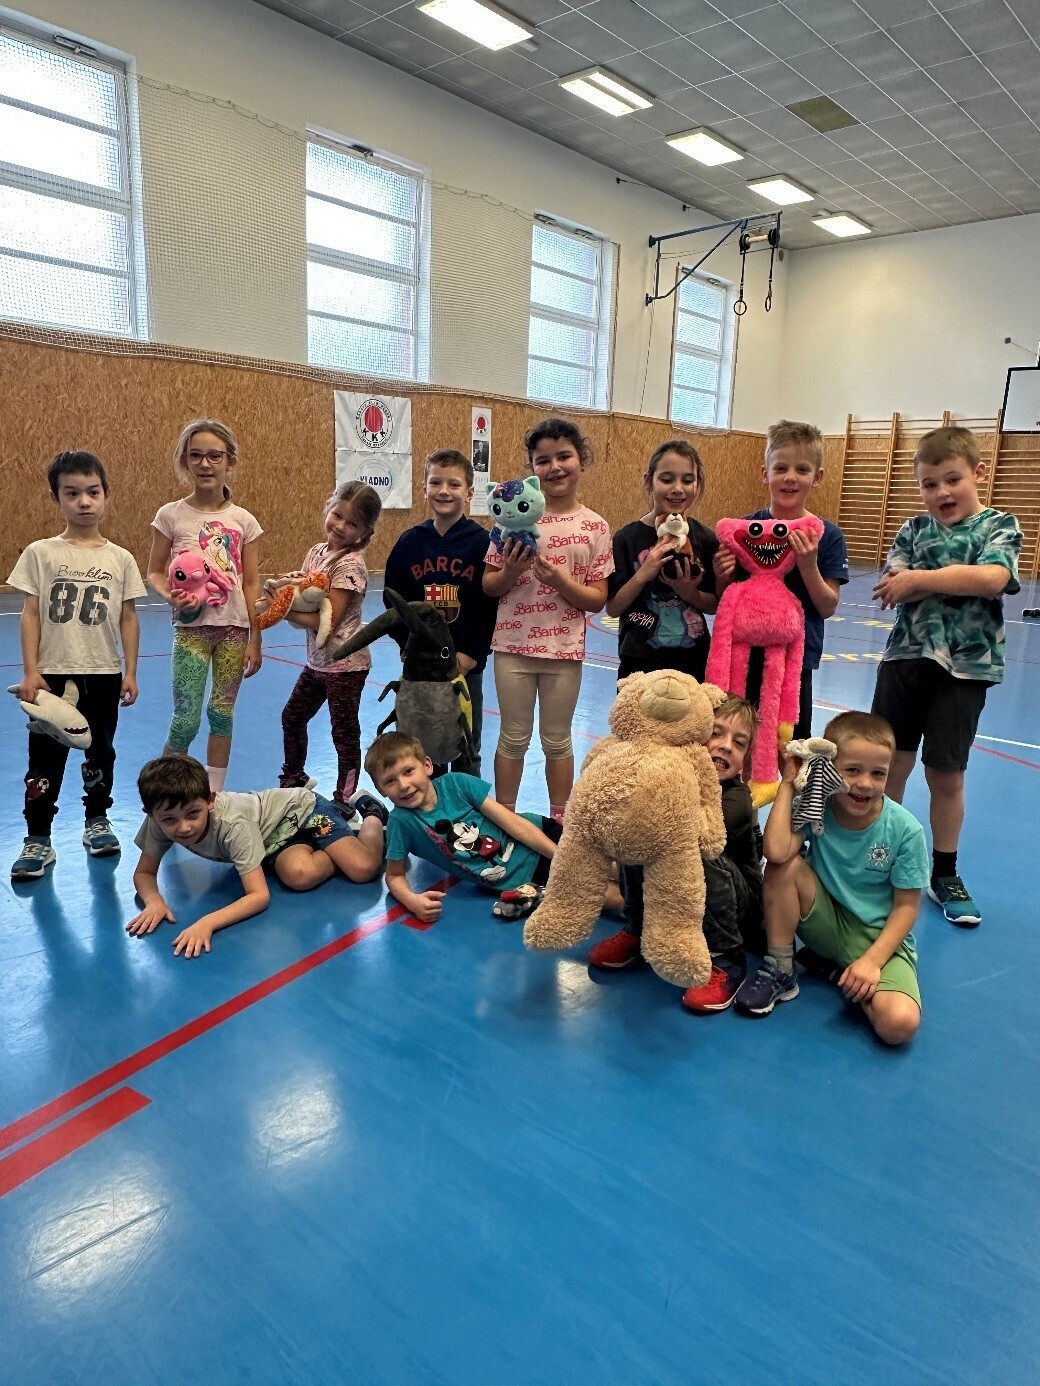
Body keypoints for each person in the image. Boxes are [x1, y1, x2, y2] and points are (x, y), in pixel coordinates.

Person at [870, 425, 1022, 927]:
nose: (941, 492)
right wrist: (947, 580)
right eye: (929, 484)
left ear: (979, 473)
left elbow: (993, 578)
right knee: (889, 764)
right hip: (905, 660)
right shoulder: (913, 530)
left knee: (946, 773)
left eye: (952, 480)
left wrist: (920, 579)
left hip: (965, 669)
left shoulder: (999, 525)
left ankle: (944, 872)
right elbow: (893, 586)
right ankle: (879, 856)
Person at [734, 711, 928, 1046]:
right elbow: (776, 851)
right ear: (829, 767)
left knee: (899, 1025)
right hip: (825, 924)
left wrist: (871, 962)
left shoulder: (905, 830)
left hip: (877, 940)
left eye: (878, 773)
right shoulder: (818, 806)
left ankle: (838, 971)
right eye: (852, 770)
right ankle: (781, 967)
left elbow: (907, 908)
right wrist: (789, 783)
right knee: (784, 866)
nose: (865, 783)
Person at [9, 450, 146, 880]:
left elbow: (128, 617)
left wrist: (130, 671)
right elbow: (31, 613)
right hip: (52, 675)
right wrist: (30, 670)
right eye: (72, 493)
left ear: (106, 495)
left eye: (92, 492)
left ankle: (97, 820)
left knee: (100, 752)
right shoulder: (41, 553)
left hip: (102, 674)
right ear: (56, 498)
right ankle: (38, 838)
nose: (84, 501)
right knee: (44, 759)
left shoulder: (120, 558)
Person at [587, 695, 766, 1014]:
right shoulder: (673, 777)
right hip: (679, 898)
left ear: (745, 759)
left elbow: (689, 833)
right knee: (636, 833)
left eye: (739, 743)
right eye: (716, 733)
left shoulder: (738, 799)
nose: (726, 746)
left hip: (738, 907)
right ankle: (639, 928)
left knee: (695, 846)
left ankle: (726, 957)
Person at [126, 754, 387, 958]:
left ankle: (372, 814)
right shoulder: (159, 819)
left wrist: (208, 923)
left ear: (210, 800)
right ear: (152, 815)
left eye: (193, 814)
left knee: (362, 868)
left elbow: (259, 896)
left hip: (302, 811)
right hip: (271, 841)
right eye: (170, 820)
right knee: (299, 874)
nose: (183, 827)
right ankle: (335, 843)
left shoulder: (232, 823)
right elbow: (144, 873)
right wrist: (154, 902)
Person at [482, 418, 612, 821]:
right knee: (513, 737)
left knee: (557, 740)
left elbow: (597, 599)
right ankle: (505, 819)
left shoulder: (595, 526)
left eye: (564, 456)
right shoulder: (510, 519)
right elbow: (489, 586)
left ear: (581, 460)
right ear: (532, 469)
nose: (555, 467)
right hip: (513, 649)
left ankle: (561, 821)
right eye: (543, 460)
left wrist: (561, 582)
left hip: (564, 652)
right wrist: (510, 571)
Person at [146, 418, 262, 792]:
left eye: (214, 456)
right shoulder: (171, 516)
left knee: (222, 715)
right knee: (185, 720)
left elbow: (251, 583)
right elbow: (154, 572)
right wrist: (170, 595)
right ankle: (164, 792)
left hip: (234, 632)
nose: (205, 464)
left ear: (230, 461)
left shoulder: (243, 521)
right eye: (196, 456)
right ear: (185, 461)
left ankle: (213, 795)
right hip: (191, 632)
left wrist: (256, 638)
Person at [714, 419, 848, 739]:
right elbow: (725, 597)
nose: (790, 477)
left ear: (817, 477)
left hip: (795, 660)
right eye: (781, 468)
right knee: (738, 738)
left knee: (789, 744)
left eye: (802, 470)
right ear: (765, 473)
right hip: (745, 654)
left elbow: (827, 606)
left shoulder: (827, 536)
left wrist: (808, 564)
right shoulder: (745, 530)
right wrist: (722, 574)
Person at [383, 449, 497, 772]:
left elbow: (491, 607)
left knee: (466, 748)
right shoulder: (409, 543)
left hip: (465, 668)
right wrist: (409, 646)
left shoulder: (482, 543)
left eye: (454, 484)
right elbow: (393, 603)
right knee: (422, 750)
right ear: (424, 488)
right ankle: (428, 805)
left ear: (470, 492)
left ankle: (467, 804)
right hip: (422, 670)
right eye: (436, 483)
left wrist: (472, 653)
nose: (444, 491)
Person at [271, 480, 382, 806]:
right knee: (292, 716)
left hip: (346, 665)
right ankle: (294, 776)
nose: (341, 526)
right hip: (318, 662)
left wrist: (282, 609)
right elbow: (307, 595)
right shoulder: (317, 553)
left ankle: (344, 798)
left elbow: (327, 623)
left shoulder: (350, 565)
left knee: (343, 733)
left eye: (353, 524)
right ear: (328, 508)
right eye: (337, 515)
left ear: (365, 531)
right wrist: (285, 590)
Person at [607, 438, 719, 683]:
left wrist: (687, 591)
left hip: (693, 660)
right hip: (638, 659)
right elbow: (613, 608)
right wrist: (643, 574)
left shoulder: (705, 538)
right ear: (649, 481)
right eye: (667, 479)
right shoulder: (626, 538)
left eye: (687, 480)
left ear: (698, 484)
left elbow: (713, 605)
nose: (677, 488)